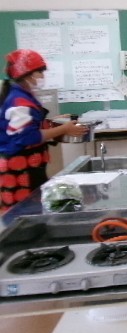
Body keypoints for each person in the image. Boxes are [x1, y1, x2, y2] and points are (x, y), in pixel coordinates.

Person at [0, 49, 88, 212]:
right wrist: (64, 128)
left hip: (30, 168)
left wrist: (56, 122)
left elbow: (31, 125)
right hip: (20, 171)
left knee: (36, 210)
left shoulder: (24, 96)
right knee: (24, 215)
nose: (42, 77)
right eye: (40, 72)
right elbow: (27, 137)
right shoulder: (19, 102)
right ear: (27, 75)